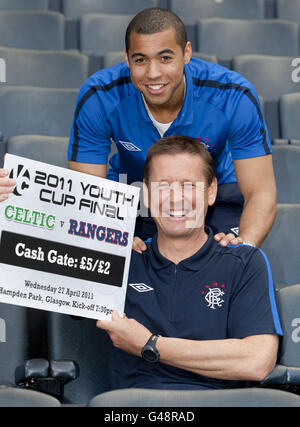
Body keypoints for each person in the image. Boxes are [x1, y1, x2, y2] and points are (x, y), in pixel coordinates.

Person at [0, 8, 277, 249]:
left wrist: (245, 246)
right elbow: (86, 193)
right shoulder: (100, 95)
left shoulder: (233, 95)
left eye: (165, 58)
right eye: (141, 60)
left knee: (227, 263)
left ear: (187, 53)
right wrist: (110, 238)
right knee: (105, 265)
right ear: (127, 57)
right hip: (132, 195)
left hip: (213, 197)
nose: (153, 73)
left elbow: (260, 193)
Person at [97, 135, 282, 391]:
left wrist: (150, 344)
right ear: (147, 195)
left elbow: (257, 360)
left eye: (188, 186)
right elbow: (38, 270)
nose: (175, 199)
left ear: (211, 192)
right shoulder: (121, 261)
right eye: (163, 186)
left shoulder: (244, 261)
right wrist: (21, 203)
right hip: (135, 407)